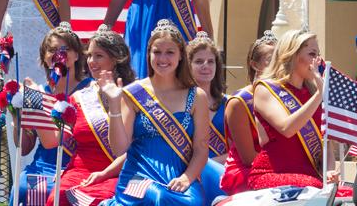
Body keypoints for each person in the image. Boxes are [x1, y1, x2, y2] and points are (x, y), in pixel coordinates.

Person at [101, 19, 209, 205]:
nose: (163, 58)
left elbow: (201, 148)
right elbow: (119, 149)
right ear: (148, 54)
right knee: (158, 197)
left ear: (181, 55)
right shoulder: (134, 93)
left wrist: (187, 178)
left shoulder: (196, 95)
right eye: (157, 52)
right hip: (137, 177)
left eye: (170, 52)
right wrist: (115, 105)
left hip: (180, 177)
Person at [34, 24, 137, 206]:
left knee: (94, 201)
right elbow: (53, 141)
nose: (91, 61)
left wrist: (104, 174)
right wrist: (34, 104)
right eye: (89, 55)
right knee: (58, 198)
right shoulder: (80, 98)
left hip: (119, 171)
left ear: (115, 59)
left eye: (98, 56)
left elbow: (133, 148)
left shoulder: (133, 93)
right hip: (80, 170)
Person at [10, 22, 93, 206]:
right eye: (53, 50)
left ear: (77, 54)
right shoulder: (39, 91)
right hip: (43, 165)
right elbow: (24, 148)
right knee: (23, 187)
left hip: (77, 166)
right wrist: (17, 114)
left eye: (66, 49)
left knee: (55, 192)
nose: (59, 54)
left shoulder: (89, 90)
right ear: (45, 57)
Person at [247, 30, 338, 190]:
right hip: (272, 174)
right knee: (315, 188)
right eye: (312, 54)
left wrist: (329, 171)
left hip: (311, 178)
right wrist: (319, 95)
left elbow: (326, 144)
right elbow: (287, 128)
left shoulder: (311, 92)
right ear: (292, 55)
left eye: (318, 54)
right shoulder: (266, 88)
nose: (318, 60)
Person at [220, 30, 277, 195]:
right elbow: (247, 157)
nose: (277, 65)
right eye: (269, 60)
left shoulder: (284, 97)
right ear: (254, 64)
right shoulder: (239, 103)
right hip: (246, 171)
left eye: (280, 60)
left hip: (276, 167)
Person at [187, 31, 227, 204]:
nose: (206, 66)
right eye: (198, 61)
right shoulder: (178, 103)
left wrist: (205, 165)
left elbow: (237, 151)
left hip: (221, 171)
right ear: (187, 66)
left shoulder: (229, 103)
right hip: (185, 172)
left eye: (211, 61)